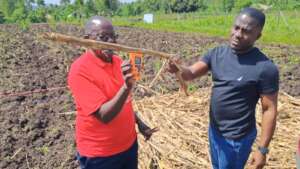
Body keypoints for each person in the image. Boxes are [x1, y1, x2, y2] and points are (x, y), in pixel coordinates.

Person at [168, 8, 279, 169]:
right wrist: (178, 68)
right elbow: (190, 74)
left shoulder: (265, 68)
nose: (238, 34)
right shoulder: (217, 53)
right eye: (236, 28)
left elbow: (269, 109)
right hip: (214, 131)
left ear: (258, 36)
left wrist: (262, 150)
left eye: (246, 31)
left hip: (237, 139)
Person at [68, 16, 158, 169]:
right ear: (86, 40)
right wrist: (126, 87)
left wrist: (140, 124)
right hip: (101, 154)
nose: (110, 42)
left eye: (113, 37)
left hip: (128, 145)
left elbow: (124, 101)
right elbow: (104, 115)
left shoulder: (117, 62)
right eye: (103, 37)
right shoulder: (80, 70)